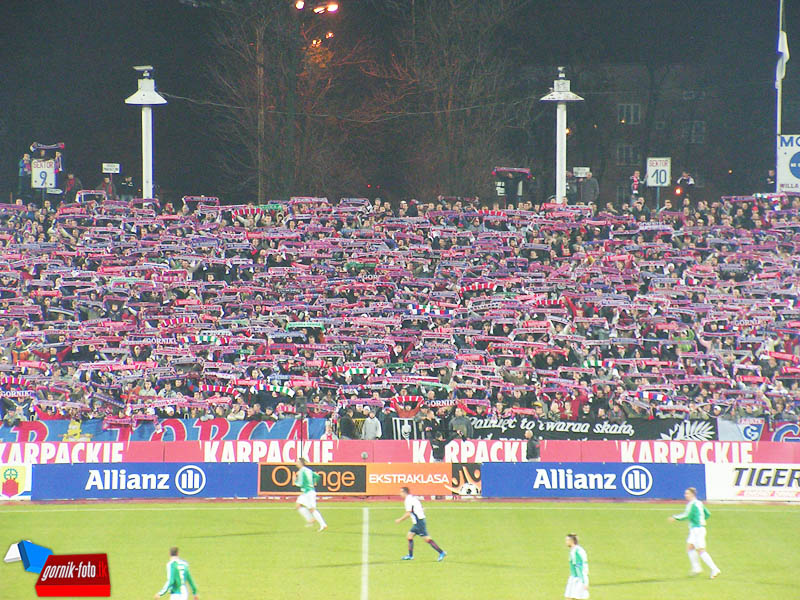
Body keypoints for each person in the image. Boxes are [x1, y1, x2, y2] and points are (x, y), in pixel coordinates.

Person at [668, 486, 720, 579]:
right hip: (697, 529)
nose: (685, 495)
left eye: (687, 493)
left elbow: (687, 515)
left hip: (697, 530)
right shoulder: (699, 503)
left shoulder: (692, 504)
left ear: (692, 494)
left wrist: (675, 518)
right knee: (690, 547)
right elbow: (707, 514)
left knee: (700, 550)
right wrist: (701, 520)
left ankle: (714, 569)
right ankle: (697, 568)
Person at [396, 487, 446, 561]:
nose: (400, 494)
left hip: (419, 523)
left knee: (427, 539)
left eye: (401, 492)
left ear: (404, 492)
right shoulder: (413, 498)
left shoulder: (408, 500)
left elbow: (408, 513)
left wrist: (399, 520)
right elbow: (422, 508)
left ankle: (441, 552)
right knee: (409, 536)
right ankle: (410, 556)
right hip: (419, 521)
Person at [292, 457, 327, 532]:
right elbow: (317, 476)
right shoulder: (308, 470)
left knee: (312, 509)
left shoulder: (301, 471)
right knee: (298, 505)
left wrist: (295, 480)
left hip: (308, 492)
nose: (296, 463)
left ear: (301, 463)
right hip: (307, 492)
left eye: (297, 462)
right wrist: (313, 483)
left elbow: (300, 483)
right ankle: (310, 520)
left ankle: (323, 524)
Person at [565, 533, 589, 600]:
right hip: (574, 577)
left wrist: (584, 581)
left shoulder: (576, 552)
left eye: (567, 540)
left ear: (571, 541)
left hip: (578, 578)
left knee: (575, 597)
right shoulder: (575, 550)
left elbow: (580, 567)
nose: (566, 542)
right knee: (569, 597)